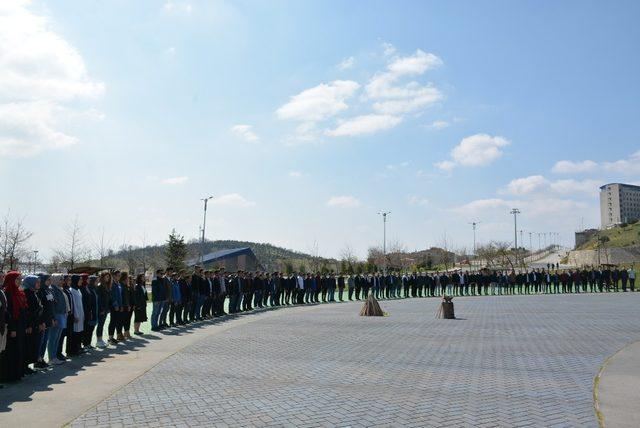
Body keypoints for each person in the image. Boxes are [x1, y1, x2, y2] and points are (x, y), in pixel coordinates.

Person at [0, 271, 27, 383]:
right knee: (11, 352)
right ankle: (9, 375)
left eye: (20, 279)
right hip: (13, 328)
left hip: (20, 326)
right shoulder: (7, 293)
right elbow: (9, 313)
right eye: (17, 279)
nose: (20, 281)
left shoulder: (19, 293)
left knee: (19, 350)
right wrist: (13, 328)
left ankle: (17, 373)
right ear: (11, 280)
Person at [22, 275, 44, 373]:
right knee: (28, 346)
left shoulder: (34, 293)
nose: (39, 284)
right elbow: (28, 312)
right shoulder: (27, 294)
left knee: (33, 345)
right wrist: (29, 325)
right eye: (37, 282)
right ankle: (24, 366)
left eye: (39, 282)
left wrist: (40, 322)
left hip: (35, 323)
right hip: (31, 324)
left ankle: (27, 366)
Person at [48, 274, 68, 365]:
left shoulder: (59, 289)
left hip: (62, 315)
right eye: (60, 279)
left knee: (57, 338)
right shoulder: (53, 290)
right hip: (57, 316)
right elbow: (53, 305)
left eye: (63, 279)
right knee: (53, 338)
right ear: (55, 280)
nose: (62, 281)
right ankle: (51, 357)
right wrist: (54, 317)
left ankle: (55, 356)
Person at [36, 274, 54, 368]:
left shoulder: (48, 290)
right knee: (41, 341)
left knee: (45, 340)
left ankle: (41, 358)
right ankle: (38, 360)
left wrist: (52, 318)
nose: (50, 281)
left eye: (50, 280)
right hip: (43, 320)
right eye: (48, 280)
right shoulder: (41, 291)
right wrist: (42, 321)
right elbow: (41, 308)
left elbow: (51, 305)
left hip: (48, 319)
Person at [68, 275, 85, 355]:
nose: (81, 281)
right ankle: (74, 349)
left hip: (81, 313)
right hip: (76, 315)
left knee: (79, 332)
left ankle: (78, 347)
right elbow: (74, 304)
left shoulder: (78, 290)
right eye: (80, 280)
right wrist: (76, 315)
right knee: (75, 333)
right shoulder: (72, 290)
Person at [95, 272, 112, 347]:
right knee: (100, 324)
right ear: (102, 277)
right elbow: (99, 299)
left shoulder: (107, 286)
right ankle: (99, 340)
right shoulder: (100, 286)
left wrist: (107, 308)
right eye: (106, 277)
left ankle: (100, 339)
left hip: (105, 308)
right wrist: (101, 309)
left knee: (102, 324)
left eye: (108, 277)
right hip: (101, 309)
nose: (107, 278)